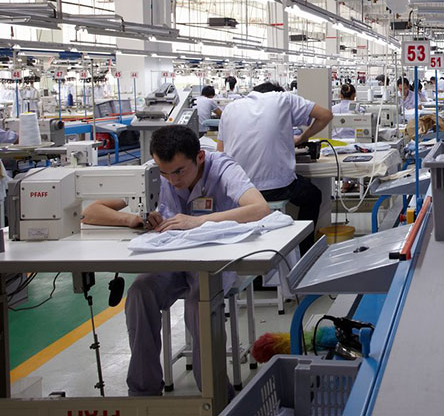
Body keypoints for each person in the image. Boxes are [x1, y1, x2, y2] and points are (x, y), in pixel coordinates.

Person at [82, 125, 269, 397]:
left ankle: (215, 394)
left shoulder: (222, 169)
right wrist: (132, 219)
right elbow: (91, 211)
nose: (172, 180)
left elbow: (260, 208)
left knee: (199, 301)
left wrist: (198, 222)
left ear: (199, 158)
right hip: (171, 261)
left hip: (213, 261)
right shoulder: (153, 174)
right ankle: (144, 394)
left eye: (180, 171)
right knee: (140, 293)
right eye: (164, 173)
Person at [217, 81, 333, 246]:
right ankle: (304, 250)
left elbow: (220, 153)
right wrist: (302, 138)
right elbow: (325, 115)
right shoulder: (283, 98)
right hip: (276, 189)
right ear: (276, 92)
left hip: (238, 190)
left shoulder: (229, 109)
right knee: (313, 195)